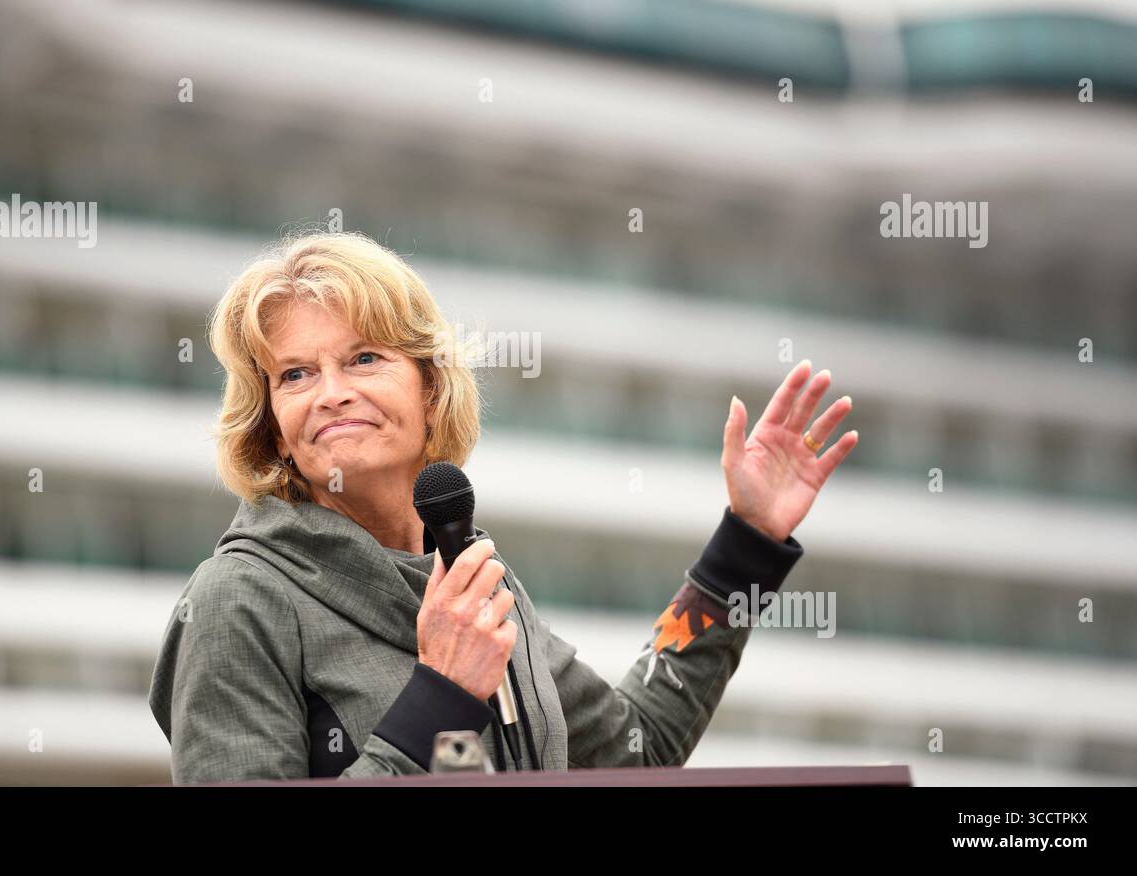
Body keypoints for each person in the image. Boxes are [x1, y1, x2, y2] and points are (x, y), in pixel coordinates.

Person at [147, 231, 857, 781]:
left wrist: (747, 545)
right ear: (272, 422)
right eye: (296, 373)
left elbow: (639, 748)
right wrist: (441, 696)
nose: (332, 391)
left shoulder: (477, 587)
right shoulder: (237, 601)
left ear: (430, 390)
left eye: (364, 359)